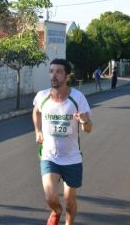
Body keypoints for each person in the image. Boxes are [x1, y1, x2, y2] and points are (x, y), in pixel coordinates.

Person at [32, 58, 93, 225]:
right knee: (50, 197)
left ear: (67, 76)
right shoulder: (42, 96)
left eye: (59, 72)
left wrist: (84, 121)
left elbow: (88, 128)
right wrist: (38, 131)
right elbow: (36, 112)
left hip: (72, 158)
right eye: (51, 71)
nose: (54, 75)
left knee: (70, 200)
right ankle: (56, 211)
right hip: (49, 156)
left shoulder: (77, 98)